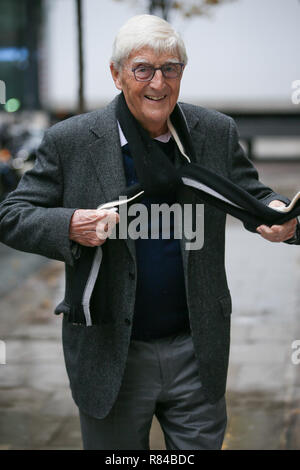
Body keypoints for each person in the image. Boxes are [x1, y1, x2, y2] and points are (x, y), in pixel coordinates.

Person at [0, 14, 299, 450]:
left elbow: (252, 193)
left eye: (170, 69)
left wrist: (279, 217)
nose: (158, 83)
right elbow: (12, 214)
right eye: (143, 69)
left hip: (197, 349)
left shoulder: (214, 132)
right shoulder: (72, 141)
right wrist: (69, 225)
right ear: (117, 74)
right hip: (112, 354)